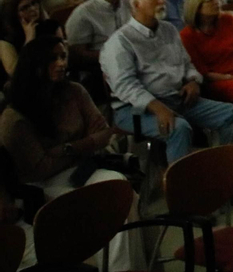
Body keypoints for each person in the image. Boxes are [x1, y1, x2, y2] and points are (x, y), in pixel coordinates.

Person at [100, 0, 233, 194]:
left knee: (232, 114)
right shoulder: (120, 42)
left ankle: (230, 180)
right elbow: (125, 86)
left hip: (177, 98)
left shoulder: (168, 30)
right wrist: (158, 108)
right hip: (136, 109)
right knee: (179, 128)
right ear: (136, 5)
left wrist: (193, 81)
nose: (163, 1)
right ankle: (183, 196)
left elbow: (187, 65)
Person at [0, 37, 139, 272]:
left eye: (63, 56)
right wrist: (85, 144)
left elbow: (103, 131)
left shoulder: (74, 91)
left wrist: (69, 148)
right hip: (39, 185)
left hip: (79, 168)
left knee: (120, 188)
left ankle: (123, 268)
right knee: (101, 203)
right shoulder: (15, 117)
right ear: (36, 65)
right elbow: (39, 168)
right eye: (53, 58)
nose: (62, 63)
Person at [179, 0, 233, 104]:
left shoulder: (227, 20)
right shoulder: (186, 35)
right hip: (215, 82)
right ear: (196, 6)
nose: (217, 2)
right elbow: (203, 73)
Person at [65, 0, 129, 71]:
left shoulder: (129, 3)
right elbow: (77, 54)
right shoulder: (84, 13)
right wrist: (114, 55)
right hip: (102, 69)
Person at [0, 0, 49, 77]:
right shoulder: (5, 40)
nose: (33, 9)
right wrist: (29, 40)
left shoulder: (47, 26)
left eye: (34, 3)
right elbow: (15, 73)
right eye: (25, 8)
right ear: (13, 13)